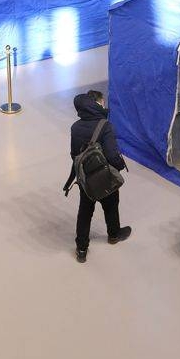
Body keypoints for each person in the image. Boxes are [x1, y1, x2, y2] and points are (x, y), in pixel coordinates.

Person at [66, 90, 131, 263]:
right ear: (97, 103)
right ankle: (114, 234)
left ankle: (81, 248)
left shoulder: (75, 127)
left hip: (85, 178)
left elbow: (74, 154)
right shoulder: (105, 126)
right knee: (111, 205)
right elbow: (112, 155)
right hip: (104, 176)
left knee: (85, 211)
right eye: (103, 102)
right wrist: (119, 167)